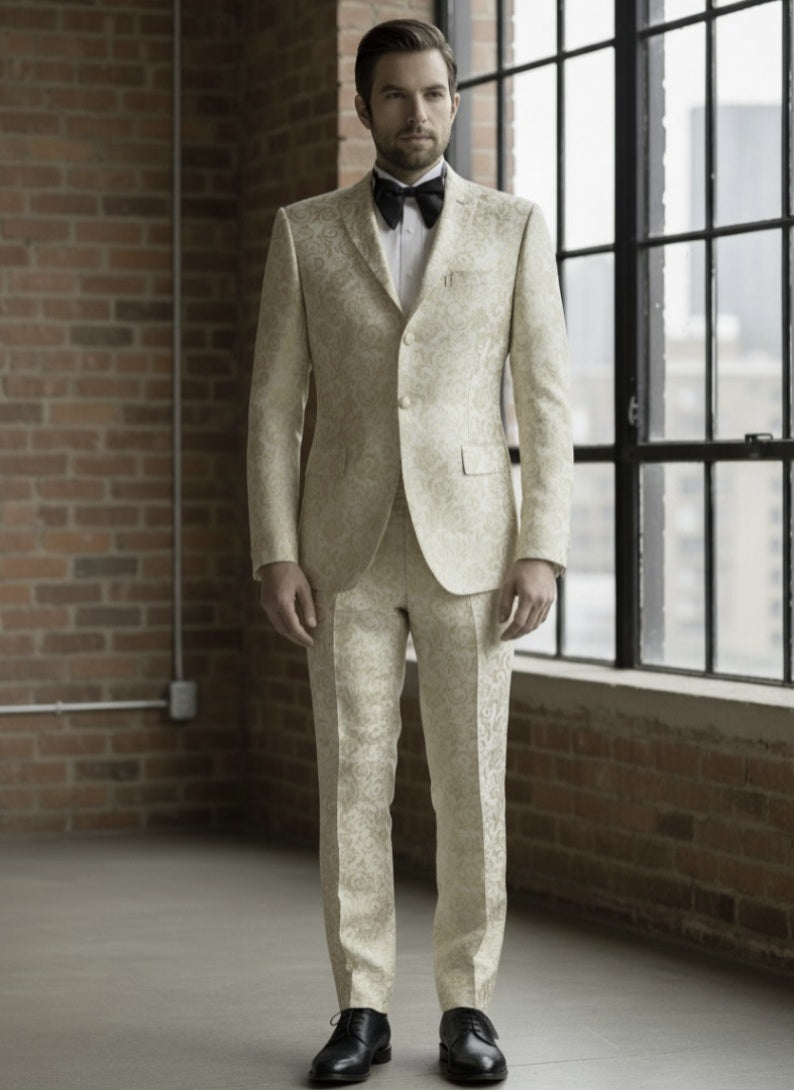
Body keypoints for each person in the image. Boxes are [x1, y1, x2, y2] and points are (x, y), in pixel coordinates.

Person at [247, 18, 571, 1085]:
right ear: (362, 107)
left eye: (434, 94)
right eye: (394, 96)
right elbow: (271, 407)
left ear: (454, 99)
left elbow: (547, 399)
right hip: (342, 547)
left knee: (471, 781)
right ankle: (360, 1007)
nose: (417, 115)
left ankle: (467, 1005)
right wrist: (275, 549)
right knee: (352, 781)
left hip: (476, 550)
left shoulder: (514, 227)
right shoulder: (302, 232)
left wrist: (543, 547)